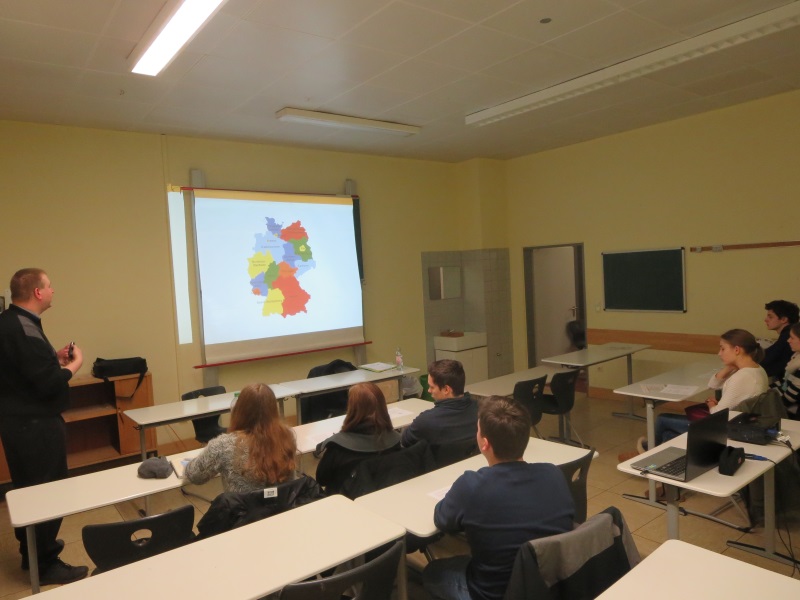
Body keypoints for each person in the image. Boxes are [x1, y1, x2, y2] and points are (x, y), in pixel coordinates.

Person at [423, 396, 575, 600]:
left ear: (484, 443)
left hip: (493, 593)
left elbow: (442, 520)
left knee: (433, 572)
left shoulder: (471, 485)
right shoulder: (553, 473)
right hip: (549, 585)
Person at [0, 268, 89, 584]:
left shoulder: (10, 321)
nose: (53, 291)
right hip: (35, 427)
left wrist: (53, 357)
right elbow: (49, 383)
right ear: (37, 292)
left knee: (29, 491)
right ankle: (46, 563)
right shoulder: (24, 327)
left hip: (18, 425)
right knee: (48, 493)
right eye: (49, 286)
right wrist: (74, 364)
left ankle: (33, 553)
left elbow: (22, 368)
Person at [653, 329, 768, 447]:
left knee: (662, 419)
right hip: (743, 424)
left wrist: (711, 404)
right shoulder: (758, 369)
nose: (719, 353)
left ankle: (648, 449)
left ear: (737, 350)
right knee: (668, 435)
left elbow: (717, 415)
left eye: (723, 349)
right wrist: (729, 367)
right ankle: (652, 449)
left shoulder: (741, 377)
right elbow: (713, 384)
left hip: (724, 430)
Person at [184, 383, 297, 493]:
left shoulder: (223, 445)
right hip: (282, 503)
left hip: (240, 506)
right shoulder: (286, 437)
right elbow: (291, 481)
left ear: (238, 410)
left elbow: (194, 476)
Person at [314, 382, 401, 495]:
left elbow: (321, 479)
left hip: (345, 501)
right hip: (384, 496)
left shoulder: (338, 447)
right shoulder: (395, 441)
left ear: (352, 409)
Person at [401, 359, 477, 447]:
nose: (429, 390)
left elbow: (405, 441)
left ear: (446, 389)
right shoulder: (481, 410)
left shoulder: (426, 421)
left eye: (432, 387)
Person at [761, 300, 799, 380]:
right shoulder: (786, 334)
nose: (766, 319)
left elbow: (767, 359)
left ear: (784, 319)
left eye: (770, 317)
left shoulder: (787, 336)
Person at [778, 322, 800, 419]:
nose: (788, 340)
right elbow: (785, 384)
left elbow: (789, 398)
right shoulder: (796, 357)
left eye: (792, 338)